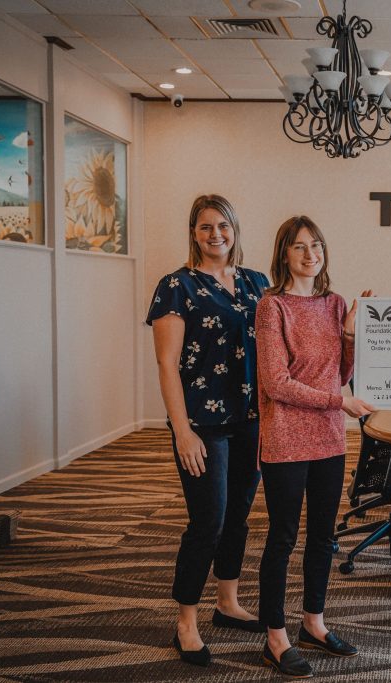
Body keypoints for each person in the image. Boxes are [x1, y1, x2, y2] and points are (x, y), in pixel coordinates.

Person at [147, 194, 270, 667]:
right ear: (193, 233)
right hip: (202, 423)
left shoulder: (257, 282)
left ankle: (228, 601)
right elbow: (166, 362)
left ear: (235, 229)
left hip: (252, 419)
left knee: (238, 515)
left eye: (223, 225)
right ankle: (186, 622)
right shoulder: (176, 285)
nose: (215, 234)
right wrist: (181, 429)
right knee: (208, 521)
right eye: (205, 227)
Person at [255, 216, 375, 678]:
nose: (311, 254)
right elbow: (276, 383)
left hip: (328, 437)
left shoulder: (334, 302)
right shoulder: (272, 307)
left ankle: (314, 623)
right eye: (300, 247)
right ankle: (275, 636)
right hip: (286, 438)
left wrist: (347, 332)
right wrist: (336, 402)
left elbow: (341, 375)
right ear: (284, 253)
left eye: (317, 245)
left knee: (323, 537)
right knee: (282, 539)